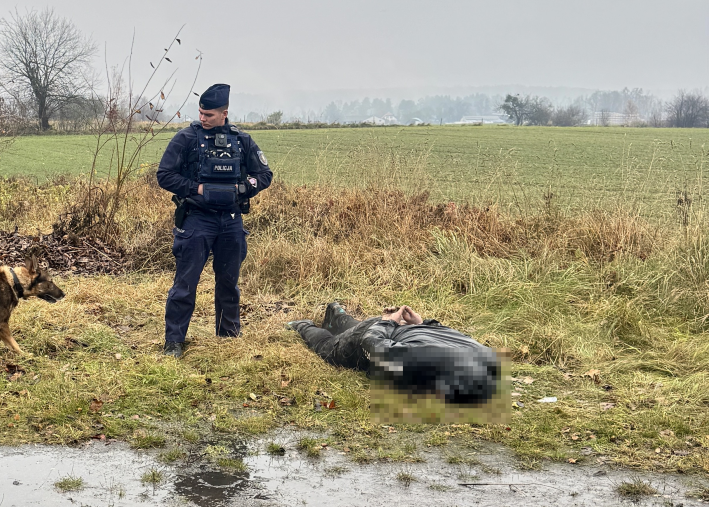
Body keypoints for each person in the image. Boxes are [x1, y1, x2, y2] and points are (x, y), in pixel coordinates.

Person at [156, 83, 273, 358]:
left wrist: (243, 188)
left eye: (209, 114)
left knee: (228, 282)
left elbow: (264, 174)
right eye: (200, 113)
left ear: (224, 113)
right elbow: (164, 175)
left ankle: (228, 337)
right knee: (185, 284)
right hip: (197, 220)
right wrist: (197, 189)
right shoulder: (185, 139)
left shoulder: (242, 141)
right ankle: (174, 342)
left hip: (231, 221)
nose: (203, 118)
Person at [287, 303, 499, 404]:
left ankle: (338, 313)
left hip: (404, 327)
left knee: (359, 328)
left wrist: (421, 323)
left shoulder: (480, 352)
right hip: (384, 332)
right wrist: (386, 323)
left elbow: (450, 333)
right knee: (328, 347)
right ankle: (303, 326)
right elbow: (372, 342)